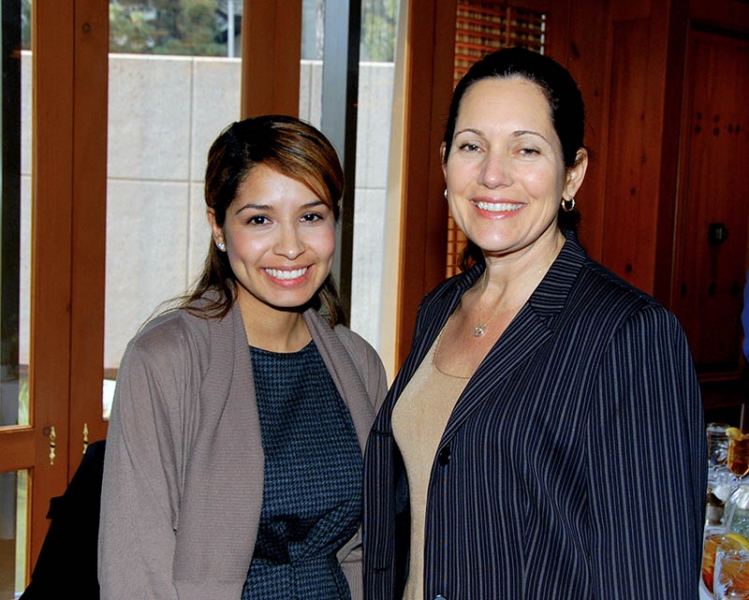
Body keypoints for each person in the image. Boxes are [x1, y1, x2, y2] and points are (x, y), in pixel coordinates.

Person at [363, 47, 706, 600]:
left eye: (526, 149)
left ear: (573, 173)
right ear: (445, 162)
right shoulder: (439, 308)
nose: (492, 174)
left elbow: (650, 574)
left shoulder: (630, 334)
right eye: (472, 146)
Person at [99, 115, 388, 600]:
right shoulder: (165, 360)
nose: (291, 247)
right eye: (260, 219)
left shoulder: (357, 363)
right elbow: (135, 568)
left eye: (311, 217)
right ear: (218, 226)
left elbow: (372, 547)